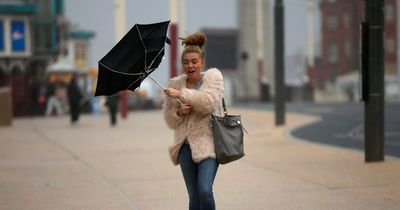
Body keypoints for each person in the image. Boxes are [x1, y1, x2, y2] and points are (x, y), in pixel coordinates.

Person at [163, 32, 224, 210]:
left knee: (205, 191)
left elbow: (207, 103)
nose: (190, 66)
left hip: (209, 144)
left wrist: (182, 94)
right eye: (186, 62)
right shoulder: (175, 84)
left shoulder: (213, 78)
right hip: (184, 147)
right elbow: (169, 120)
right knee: (194, 197)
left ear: (202, 62)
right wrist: (178, 112)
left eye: (194, 61)